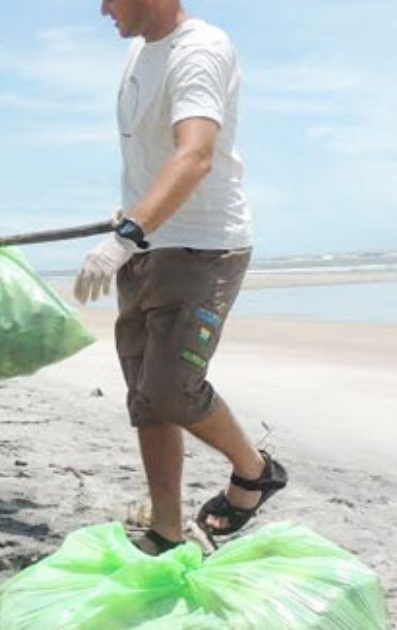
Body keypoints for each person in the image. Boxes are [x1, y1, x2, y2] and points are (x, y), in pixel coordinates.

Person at [74, 0, 287, 554]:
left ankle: (254, 470)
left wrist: (128, 235)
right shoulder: (138, 55)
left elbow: (195, 156)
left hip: (201, 247)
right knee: (146, 396)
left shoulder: (199, 50)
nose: (101, 9)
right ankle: (167, 529)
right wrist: (132, 220)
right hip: (147, 241)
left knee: (171, 389)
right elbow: (152, 157)